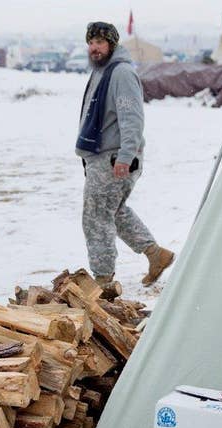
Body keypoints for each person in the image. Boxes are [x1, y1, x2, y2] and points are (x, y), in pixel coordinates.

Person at [76, 22, 174, 289]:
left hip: (114, 158)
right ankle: (156, 254)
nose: (94, 48)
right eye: (91, 42)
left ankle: (103, 281)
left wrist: (125, 156)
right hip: (102, 157)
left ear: (112, 44)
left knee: (96, 218)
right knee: (113, 212)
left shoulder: (121, 73)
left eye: (100, 42)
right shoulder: (103, 71)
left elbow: (132, 118)